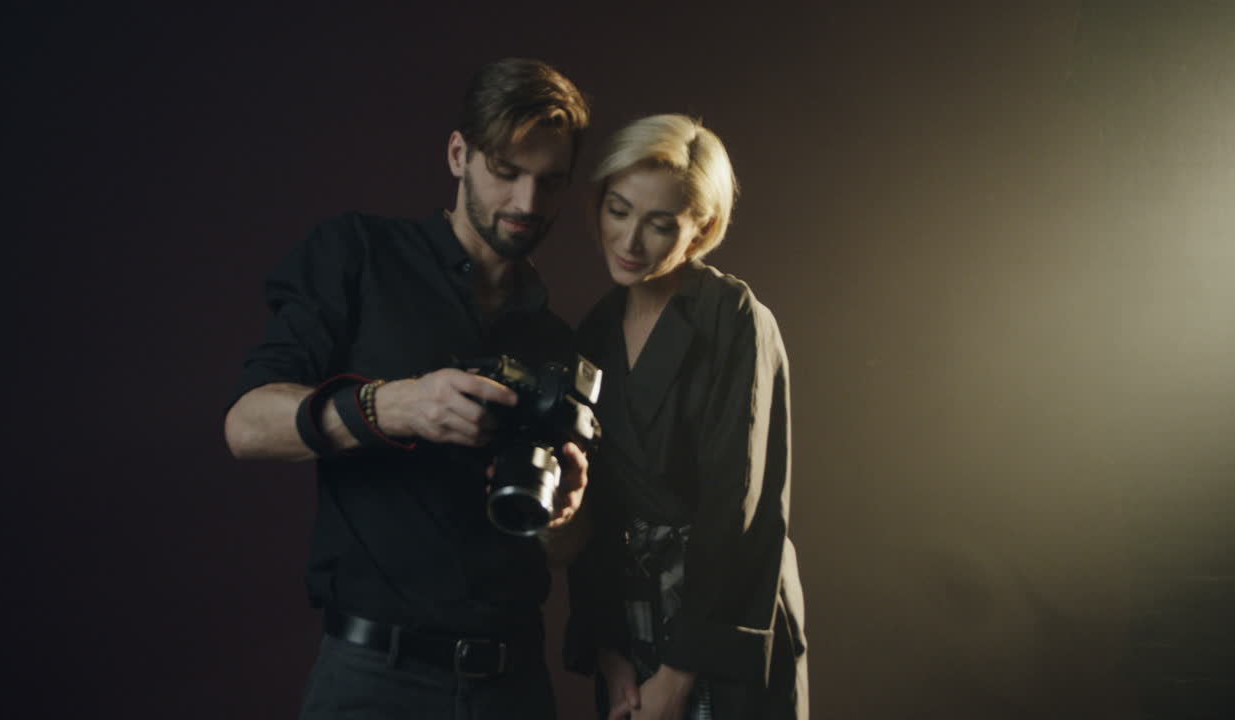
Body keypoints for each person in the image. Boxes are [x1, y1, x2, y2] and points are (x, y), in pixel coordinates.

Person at [223, 58, 591, 719]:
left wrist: (563, 513)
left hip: (514, 685)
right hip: (373, 678)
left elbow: (561, 552)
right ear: (458, 154)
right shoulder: (359, 254)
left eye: (550, 181)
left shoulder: (557, 342)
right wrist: (395, 405)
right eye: (506, 171)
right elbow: (246, 426)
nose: (527, 203)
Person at [564, 114, 808, 719]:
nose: (629, 241)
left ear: (702, 226)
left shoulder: (734, 319)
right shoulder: (594, 331)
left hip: (718, 622)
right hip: (627, 619)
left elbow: (740, 511)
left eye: (660, 223)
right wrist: (610, 652)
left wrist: (677, 677)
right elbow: (592, 508)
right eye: (618, 211)